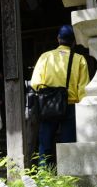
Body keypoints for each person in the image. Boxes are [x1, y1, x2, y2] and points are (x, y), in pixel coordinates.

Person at [30, 24, 89, 167]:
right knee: (67, 143)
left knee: (45, 142)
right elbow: (83, 89)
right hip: (70, 105)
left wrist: (49, 91)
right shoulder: (79, 59)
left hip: (49, 104)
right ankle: (67, 173)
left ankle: (45, 174)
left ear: (58, 39)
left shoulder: (45, 57)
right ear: (74, 42)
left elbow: (35, 83)